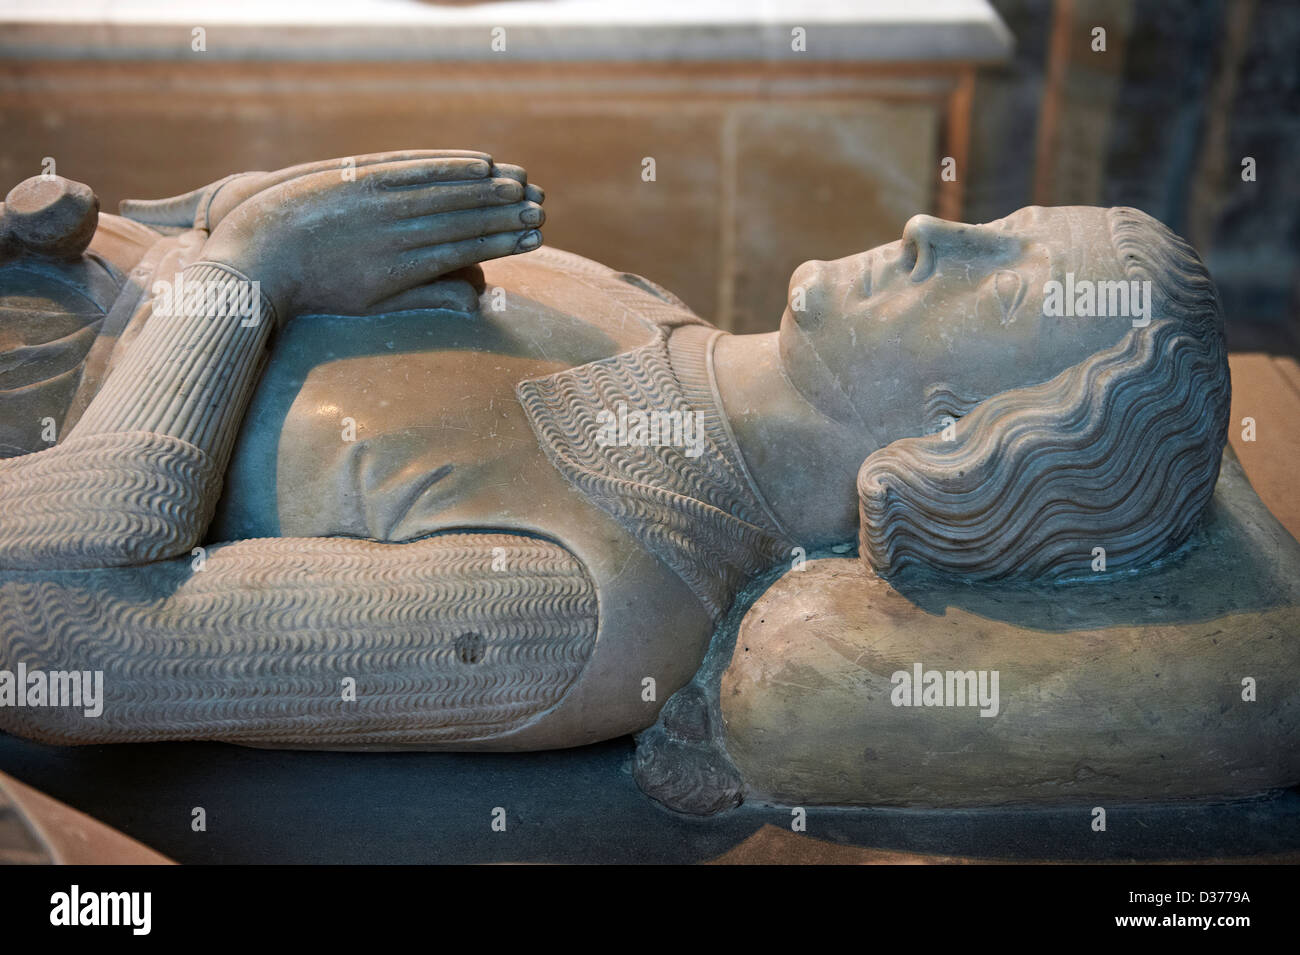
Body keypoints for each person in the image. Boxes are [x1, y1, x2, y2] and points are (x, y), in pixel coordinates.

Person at [0, 151, 1228, 750]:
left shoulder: (585, 609)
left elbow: (51, 640)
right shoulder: (639, 312)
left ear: (960, 433)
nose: (931, 229)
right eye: (997, 224)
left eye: (1001, 286)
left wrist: (240, 271)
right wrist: (226, 222)